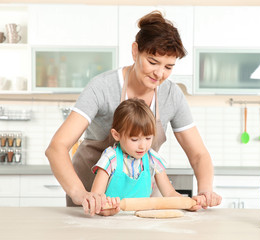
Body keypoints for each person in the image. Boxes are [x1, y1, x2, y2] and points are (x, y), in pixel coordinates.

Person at [45, 10, 221, 216]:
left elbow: (199, 155)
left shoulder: (172, 95)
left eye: (169, 67)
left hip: (142, 200)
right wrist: (81, 194)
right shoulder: (102, 87)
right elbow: (56, 147)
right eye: (153, 62)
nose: (159, 73)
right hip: (94, 200)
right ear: (135, 51)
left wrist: (206, 190)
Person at [91, 98, 205, 216]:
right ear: (116, 135)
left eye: (148, 138)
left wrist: (189, 204)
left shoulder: (152, 159)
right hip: (112, 223)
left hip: (142, 223)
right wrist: (104, 209)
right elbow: (96, 198)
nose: (143, 146)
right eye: (134, 139)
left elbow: (170, 194)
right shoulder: (110, 159)